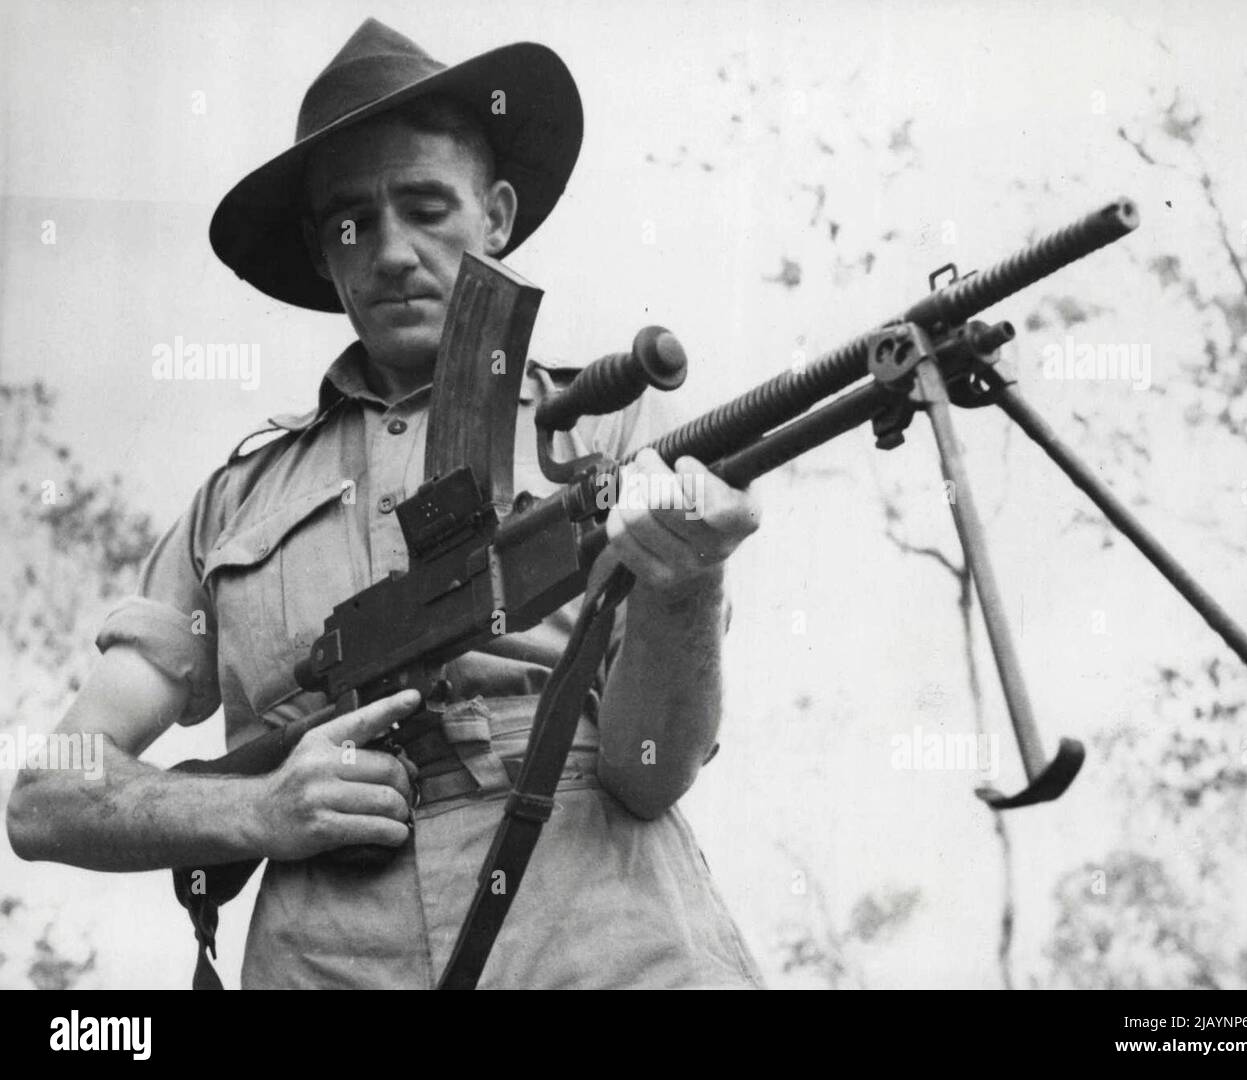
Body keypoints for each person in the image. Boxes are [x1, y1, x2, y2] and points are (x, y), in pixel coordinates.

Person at [6, 18, 763, 989]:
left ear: (493, 214)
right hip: (330, 953)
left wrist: (686, 582)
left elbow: (650, 768)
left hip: (599, 932)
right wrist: (258, 810)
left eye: (426, 205)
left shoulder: (608, 432)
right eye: (354, 222)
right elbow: (47, 796)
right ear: (325, 254)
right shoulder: (233, 502)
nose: (394, 250)